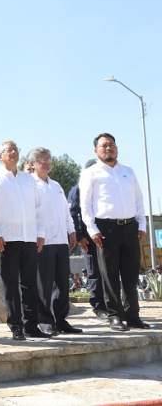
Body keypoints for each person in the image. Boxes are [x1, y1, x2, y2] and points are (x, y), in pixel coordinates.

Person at [78, 133, 150, 331]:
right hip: (106, 229)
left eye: (111, 145)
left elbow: (139, 200)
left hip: (130, 227)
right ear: (96, 150)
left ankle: (133, 315)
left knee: (130, 273)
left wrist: (141, 225)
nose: (108, 148)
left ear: (117, 148)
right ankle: (115, 316)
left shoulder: (128, 171)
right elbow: (85, 205)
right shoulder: (90, 173)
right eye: (104, 146)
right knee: (109, 274)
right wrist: (92, 229)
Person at [0, 140, 50, 340]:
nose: (12, 152)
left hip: (29, 238)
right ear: (0, 156)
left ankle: (32, 325)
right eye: (7, 150)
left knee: (30, 283)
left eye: (15, 149)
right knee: (11, 284)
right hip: (8, 239)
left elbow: (38, 208)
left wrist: (41, 233)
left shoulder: (28, 179)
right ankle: (16, 326)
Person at [28, 148, 82, 335]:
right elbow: (31, 214)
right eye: (42, 160)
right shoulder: (30, 184)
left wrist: (72, 230)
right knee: (44, 283)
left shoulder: (57, 185)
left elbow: (66, 212)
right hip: (43, 241)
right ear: (33, 164)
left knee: (62, 284)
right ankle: (45, 321)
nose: (46, 163)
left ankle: (61, 320)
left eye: (48, 160)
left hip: (61, 241)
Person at [68, 159, 108, 320]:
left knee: (109, 272)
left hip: (106, 236)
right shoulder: (77, 189)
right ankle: (99, 306)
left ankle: (112, 305)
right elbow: (73, 213)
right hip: (88, 238)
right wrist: (79, 236)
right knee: (94, 272)